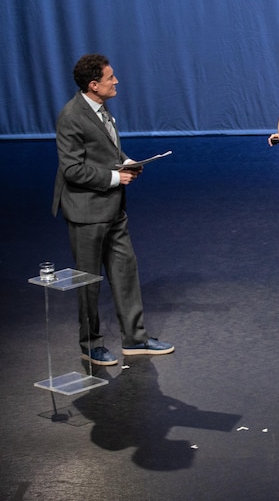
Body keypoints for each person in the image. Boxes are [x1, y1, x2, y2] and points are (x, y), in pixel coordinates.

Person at [52, 54, 174, 366]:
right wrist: (114, 177)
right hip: (86, 213)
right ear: (94, 85)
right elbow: (72, 170)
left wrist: (126, 161)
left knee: (125, 272)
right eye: (110, 78)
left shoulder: (100, 109)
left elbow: (106, 149)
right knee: (88, 281)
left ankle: (135, 339)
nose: (116, 81)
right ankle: (90, 343)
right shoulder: (71, 116)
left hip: (113, 208)